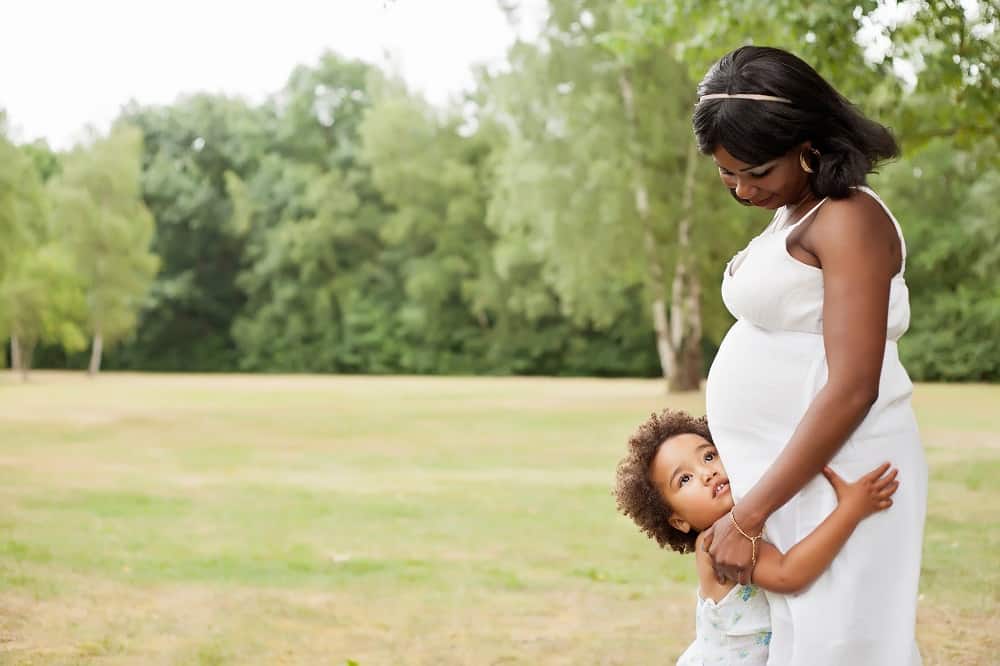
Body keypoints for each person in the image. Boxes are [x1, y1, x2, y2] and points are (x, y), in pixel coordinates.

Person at [691, 46, 928, 664]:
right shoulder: (793, 210)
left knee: (846, 643)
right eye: (727, 173)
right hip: (791, 476)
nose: (741, 189)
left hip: (842, 470)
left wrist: (749, 516)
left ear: (808, 142)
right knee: (802, 646)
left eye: (756, 171)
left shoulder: (849, 219)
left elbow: (854, 385)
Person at [614, 409, 900, 665]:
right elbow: (788, 574)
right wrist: (849, 511)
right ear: (678, 521)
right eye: (684, 479)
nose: (707, 472)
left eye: (709, 455)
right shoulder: (714, 544)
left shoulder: (748, 523)